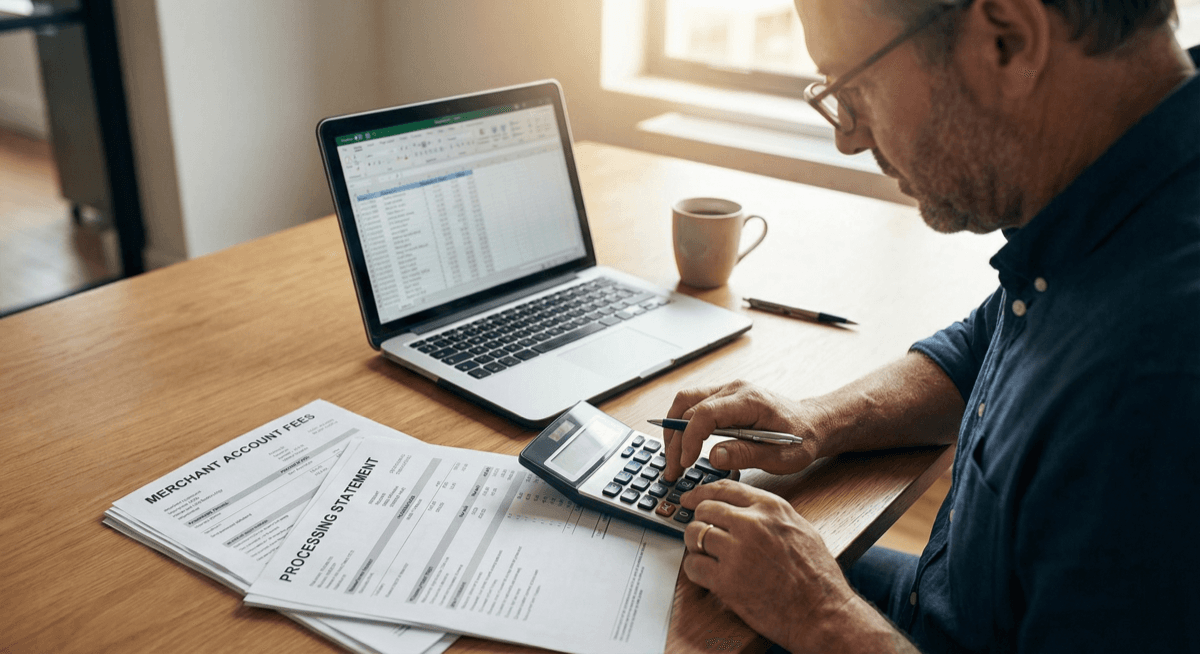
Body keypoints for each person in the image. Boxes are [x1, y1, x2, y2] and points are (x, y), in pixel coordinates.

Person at [661, 0, 1200, 651]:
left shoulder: (1158, 384)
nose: (849, 137)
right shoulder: (1120, 192)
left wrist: (821, 617)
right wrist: (820, 419)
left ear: (1008, 40)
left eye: (854, 87)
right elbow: (987, 345)